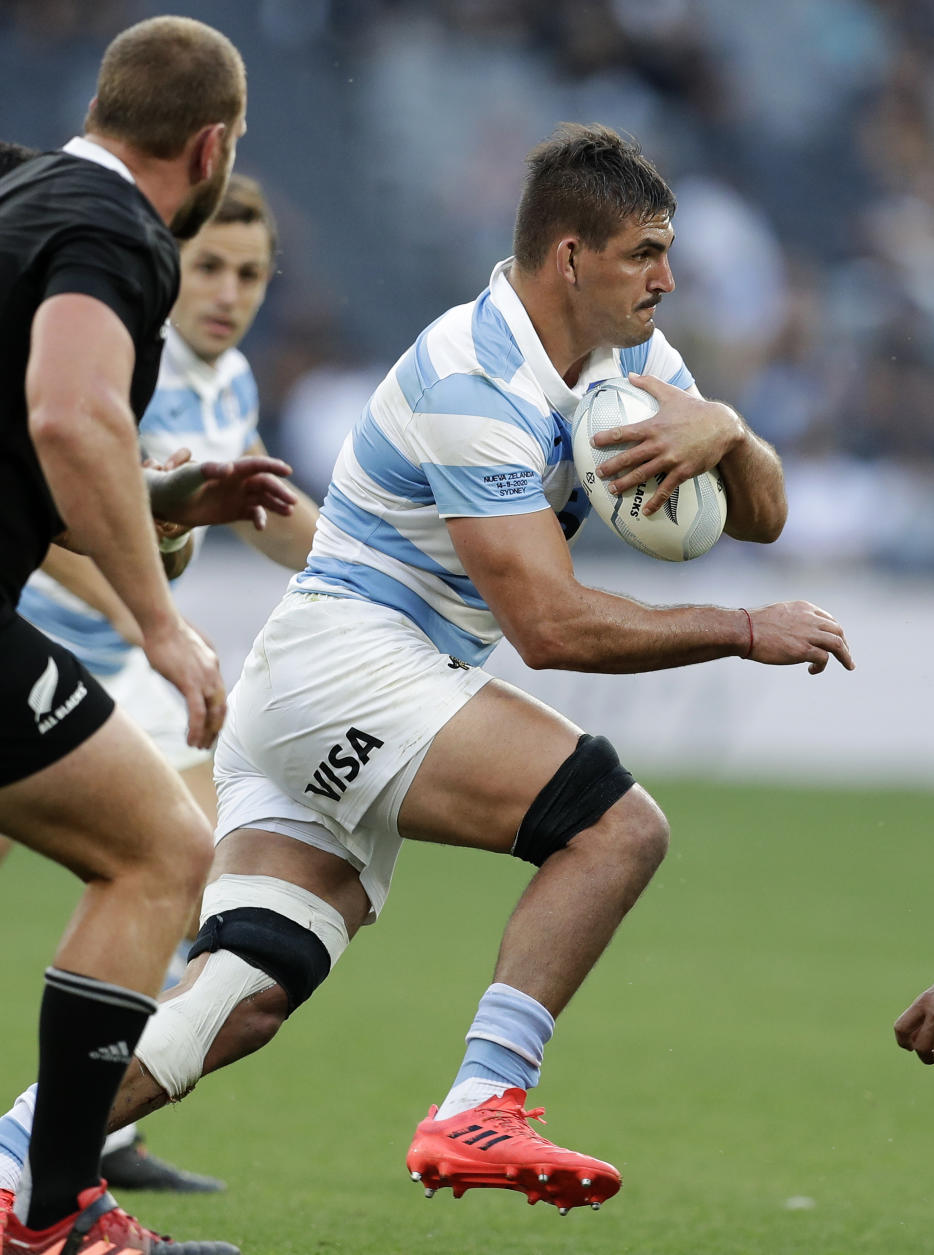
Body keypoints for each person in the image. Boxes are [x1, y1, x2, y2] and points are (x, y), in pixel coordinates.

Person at [4, 123, 854, 1220]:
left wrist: (728, 433)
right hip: (349, 666)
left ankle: (17, 1158)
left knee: (244, 991)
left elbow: (766, 516)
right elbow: (550, 626)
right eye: (646, 251)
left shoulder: (636, 361)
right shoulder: (472, 379)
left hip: (321, 678)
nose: (668, 276)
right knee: (615, 826)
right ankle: (485, 1098)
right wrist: (744, 630)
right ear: (569, 258)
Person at [0, 16, 299, 1255]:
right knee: (163, 851)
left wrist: (171, 499)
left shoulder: (26, 187)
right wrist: (165, 627)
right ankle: (59, 1213)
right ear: (214, 144)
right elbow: (69, 419)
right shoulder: (118, 230)